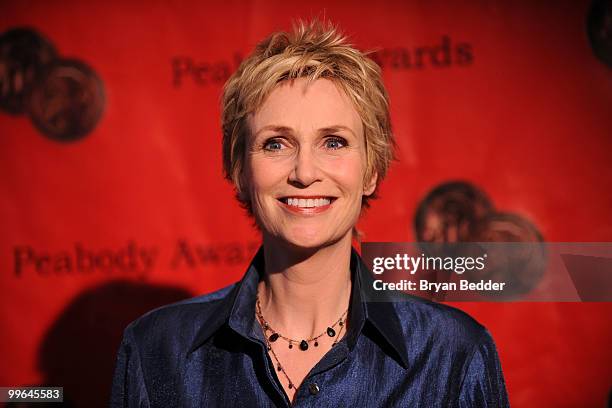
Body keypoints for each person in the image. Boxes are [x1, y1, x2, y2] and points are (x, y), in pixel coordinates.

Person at [110, 20, 509, 407]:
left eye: (334, 142)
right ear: (239, 171)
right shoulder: (155, 350)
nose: (304, 172)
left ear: (371, 171)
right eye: (275, 144)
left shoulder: (453, 353)